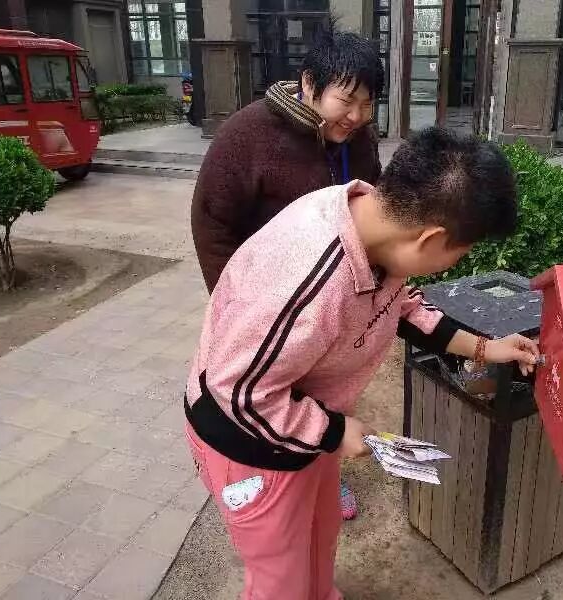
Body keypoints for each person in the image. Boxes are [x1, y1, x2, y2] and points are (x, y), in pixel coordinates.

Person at [184, 127, 540, 600]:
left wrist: (484, 348)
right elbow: (239, 395)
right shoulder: (307, 282)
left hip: (304, 421)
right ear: (431, 238)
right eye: (462, 251)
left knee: (320, 532)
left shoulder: (372, 221)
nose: (458, 262)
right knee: (279, 575)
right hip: (250, 442)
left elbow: (401, 306)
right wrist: (333, 431)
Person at [191, 29, 384, 520]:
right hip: (268, 305)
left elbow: (372, 203)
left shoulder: (359, 138)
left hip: (333, 299)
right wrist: (236, 305)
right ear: (309, 83)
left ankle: (321, 472)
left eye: (367, 104)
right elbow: (212, 222)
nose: (356, 116)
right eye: (346, 101)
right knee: (269, 392)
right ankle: (262, 479)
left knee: (324, 394)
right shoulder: (248, 134)